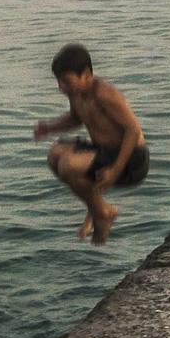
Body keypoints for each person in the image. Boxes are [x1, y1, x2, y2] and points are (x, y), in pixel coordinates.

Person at [34, 44, 149, 245]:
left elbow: (133, 130)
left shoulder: (105, 94)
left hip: (132, 159)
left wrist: (115, 170)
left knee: (69, 165)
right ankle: (100, 211)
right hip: (103, 152)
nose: (61, 88)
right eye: (59, 82)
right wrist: (49, 127)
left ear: (86, 74)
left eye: (66, 81)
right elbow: (75, 119)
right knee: (54, 155)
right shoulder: (76, 93)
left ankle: (101, 215)